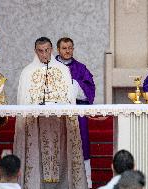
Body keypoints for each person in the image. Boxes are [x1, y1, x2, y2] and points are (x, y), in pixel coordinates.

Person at [14, 37, 88, 189]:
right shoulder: (27, 72)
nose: (44, 54)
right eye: (41, 51)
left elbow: (69, 97)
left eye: (47, 50)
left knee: (59, 155)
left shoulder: (62, 70)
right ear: (36, 52)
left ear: (52, 50)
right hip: (36, 124)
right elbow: (23, 99)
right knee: (36, 155)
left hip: (58, 123)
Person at [56, 37, 95, 188]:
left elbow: (90, 91)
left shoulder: (81, 68)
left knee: (81, 146)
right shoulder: (50, 68)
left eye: (70, 48)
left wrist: (74, 86)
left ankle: (82, 183)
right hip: (56, 114)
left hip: (77, 115)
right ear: (58, 50)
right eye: (64, 48)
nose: (67, 51)